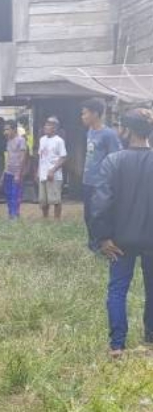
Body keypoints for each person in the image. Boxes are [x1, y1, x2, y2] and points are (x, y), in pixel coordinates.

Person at [89, 108, 153, 357]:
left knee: (117, 290)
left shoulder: (113, 161)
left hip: (119, 240)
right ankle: (150, 339)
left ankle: (117, 345)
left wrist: (103, 237)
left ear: (126, 130)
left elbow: (100, 203)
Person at [81, 98, 122, 250]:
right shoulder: (90, 131)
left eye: (85, 113)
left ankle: (101, 245)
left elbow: (116, 158)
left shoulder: (109, 134)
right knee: (88, 215)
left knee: (99, 215)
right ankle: (93, 244)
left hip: (101, 183)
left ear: (95, 114)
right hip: (88, 181)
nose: (83, 116)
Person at [38, 117, 68, 220]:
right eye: (45, 124)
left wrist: (52, 170)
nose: (45, 127)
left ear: (55, 128)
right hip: (43, 174)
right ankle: (45, 219)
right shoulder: (42, 139)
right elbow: (41, 157)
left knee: (55, 200)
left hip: (54, 175)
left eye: (48, 125)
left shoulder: (59, 141)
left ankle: (56, 220)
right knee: (43, 200)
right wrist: (38, 172)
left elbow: (63, 157)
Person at [3, 120, 28, 219]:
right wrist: (3, 173)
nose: (5, 132)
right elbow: (8, 157)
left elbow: (22, 157)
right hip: (8, 171)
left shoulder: (21, 140)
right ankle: (10, 214)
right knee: (8, 194)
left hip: (17, 172)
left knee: (15, 194)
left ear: (14, 129)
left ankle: (15, 215)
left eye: (7, 129)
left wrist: (18, 173)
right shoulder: (8, 141)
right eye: (5, 130)